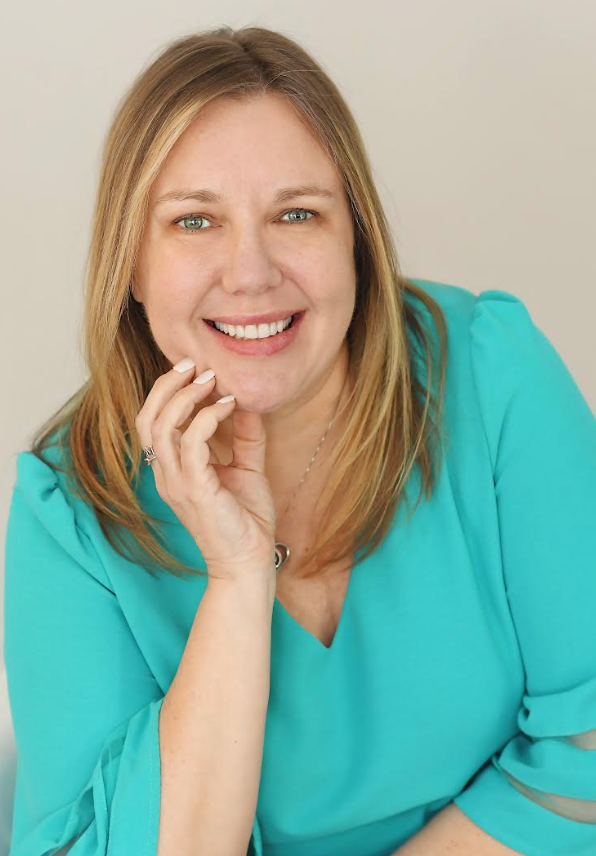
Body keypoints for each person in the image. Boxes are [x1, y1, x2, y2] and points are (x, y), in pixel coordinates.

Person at [4, 24, 596, 856]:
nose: (250, 272)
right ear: (130, 267)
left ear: (355, 239)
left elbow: (589, 747)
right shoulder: (68, 512)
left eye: (296, 213)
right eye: (194, 222)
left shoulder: (493, 375)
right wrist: (238, 575)